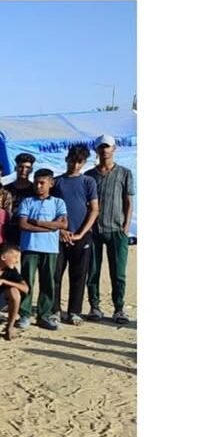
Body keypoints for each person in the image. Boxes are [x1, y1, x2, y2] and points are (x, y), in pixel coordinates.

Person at [85, 135, 134, 325]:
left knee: (118, 273)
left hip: (116, 229)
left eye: (108, 147)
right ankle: (94, 306)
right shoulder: (89, 175)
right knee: (93, 271)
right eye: (101, 147)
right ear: (96, 150)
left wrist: (126, 226)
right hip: (94, 230)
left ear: (114, 149)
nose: (104, 150)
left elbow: (128, 202)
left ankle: (119, 308)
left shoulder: (125, 173)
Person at [52, 145, 100, 326]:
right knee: (55, 275)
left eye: (80, 162)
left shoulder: (88, 182)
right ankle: (55, 310)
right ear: (67, 159)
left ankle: (74, 311)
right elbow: (49, 210)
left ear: (84, 163)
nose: (75, 165)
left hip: (82, 236)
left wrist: (81, 233)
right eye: (72, 161)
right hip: (59, 236)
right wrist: (59, 230)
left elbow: (94, 209)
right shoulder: (56, 182)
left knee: (79, 275)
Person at [17, 168, 69, 331]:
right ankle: (24, 314)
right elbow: (23, 224)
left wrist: (38, 222)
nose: (38, 186)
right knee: (27, 281)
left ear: (51, 183)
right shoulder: (27, 201)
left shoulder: (58, 203)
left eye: (42, 183)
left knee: (48, 282)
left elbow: (63, 224)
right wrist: (50, 227)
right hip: (30, 246)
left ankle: (44, 315)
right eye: (36, 183)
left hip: (50, 248)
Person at [5, 153, 37, 244]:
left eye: (27, 167)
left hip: (29, 231)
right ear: (16, 168)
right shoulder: (6, 189)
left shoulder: (35, 190)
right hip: (9, 231)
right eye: (21, 167)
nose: (23, 170)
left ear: (31, 170)